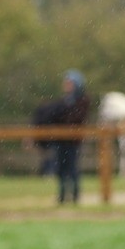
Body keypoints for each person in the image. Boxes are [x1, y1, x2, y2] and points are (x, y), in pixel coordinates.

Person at [35, 70, 90, 205]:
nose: (66, 85)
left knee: (72, 168)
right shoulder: (63, 101)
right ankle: (62, 195)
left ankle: (75, 196)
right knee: (60, 168)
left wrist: (64, 122)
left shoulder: (81, 101)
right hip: (60, 140)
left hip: (72, 141)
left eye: (69, 83)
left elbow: (75, 119)